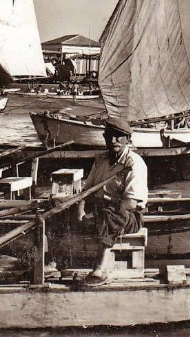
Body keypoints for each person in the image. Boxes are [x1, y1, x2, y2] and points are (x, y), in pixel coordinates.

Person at [78, 117, 148, 285]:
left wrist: (96, 214)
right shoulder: (100, 160)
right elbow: (87, 191)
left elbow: (130, 203)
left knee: (108, 215)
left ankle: (101, 269)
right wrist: (80, 211)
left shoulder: (134, 164)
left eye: (118, 136)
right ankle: (53, 260)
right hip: (100, 209)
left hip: (129, 215)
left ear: (128, 140)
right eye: (109, 136)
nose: (112, 140)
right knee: (59, 208)